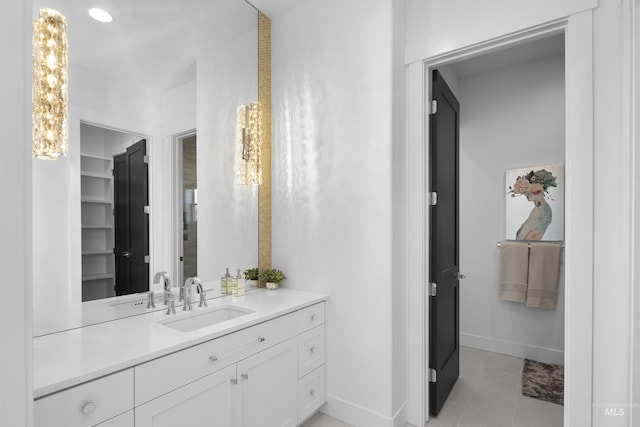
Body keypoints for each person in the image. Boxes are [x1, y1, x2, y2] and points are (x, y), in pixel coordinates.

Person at [509, 169, 557, 240]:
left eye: (534, 191)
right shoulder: (542, 209)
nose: (528, 194)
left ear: (542, 190)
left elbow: (521, 237)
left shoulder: (541, 211)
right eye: (525, 192)